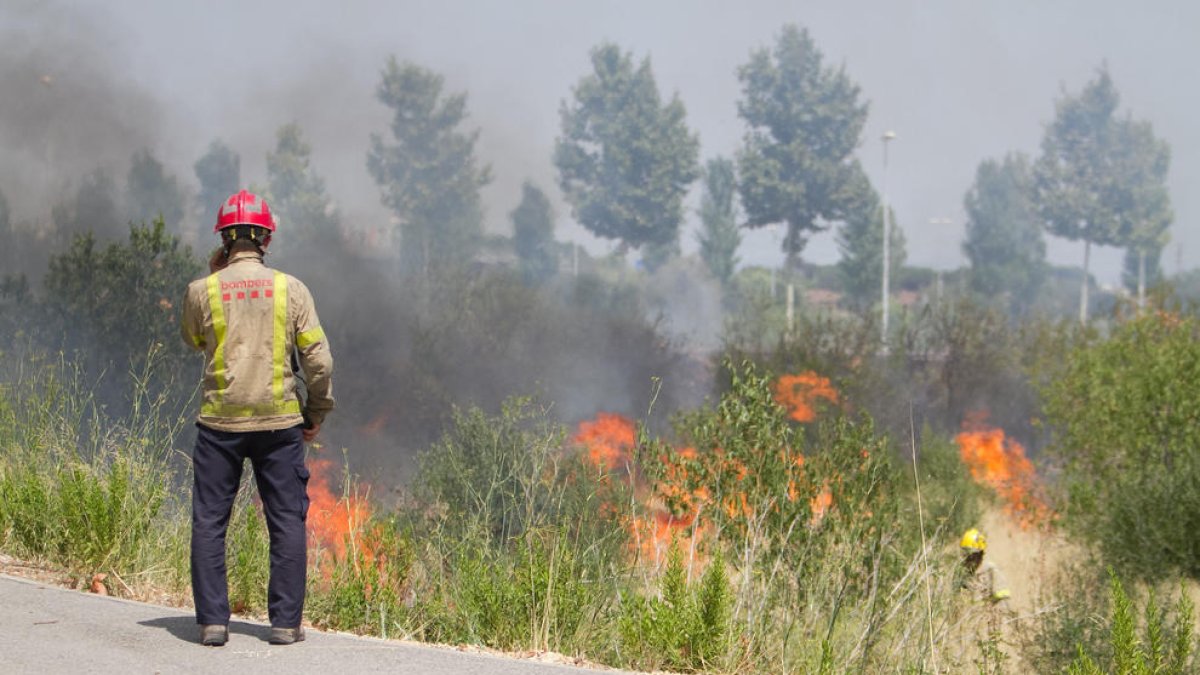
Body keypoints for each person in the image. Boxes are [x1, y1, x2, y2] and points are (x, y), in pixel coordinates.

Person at [181, 189, 335, 647]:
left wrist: (215, 276)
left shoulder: (201, 290)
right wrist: (316, 411)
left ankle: (213, 624)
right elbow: (320, 362)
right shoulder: (292, 289)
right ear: (266, 237)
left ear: (223, 239)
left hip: (219, 425)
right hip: (279, 424)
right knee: (286, 521)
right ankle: (284, 625)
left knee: (210, 521)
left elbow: (193, 339)